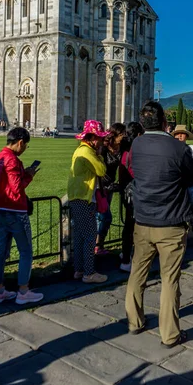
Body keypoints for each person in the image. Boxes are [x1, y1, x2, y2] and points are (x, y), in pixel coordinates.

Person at [125, 101, 193, 347]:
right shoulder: (178, 148)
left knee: (137, 272)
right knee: (169, 279)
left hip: (143, 218)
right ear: (164, 121)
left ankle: (134, 321)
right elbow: (189, 178)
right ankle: (169, 334)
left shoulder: (136, 144)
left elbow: (132, 169)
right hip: (171, 221)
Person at [0, 127, 43, 305]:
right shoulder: (12, 160)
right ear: (20, 142)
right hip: (15, 211)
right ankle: (23, 291)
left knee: (1, 251)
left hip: (0, 209)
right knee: (25, 251)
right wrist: (29, 175)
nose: (24, 149)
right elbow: (16, 188)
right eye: (25, 146)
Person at [67, 120, 108, 283]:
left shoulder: (80, 150)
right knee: (90, 236)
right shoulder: (87, 152)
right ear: (92, 138)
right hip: (84, 197)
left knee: (80, 236)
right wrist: (99, 154)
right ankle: (89, 273)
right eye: (99, 138)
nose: (101, 142)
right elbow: (101, 170)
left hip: (77, 196)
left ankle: (79, 269)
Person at [95, 123, 126, 255]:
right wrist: (103, 186)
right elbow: (97, 169)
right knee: (104, 216)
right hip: (100, 186)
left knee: (104, 217)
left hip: (111, 185)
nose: (123, 136)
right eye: (121, 134)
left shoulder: (122, 147)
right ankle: (96, 245)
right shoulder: (104, 148)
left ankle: (100, 245)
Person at [118, 121, 144, 272]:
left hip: (126, 192)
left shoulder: (125, 150)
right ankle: (127, 259)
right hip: (135, 193)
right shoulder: (136, 152)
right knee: (133, 228)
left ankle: (125, 254)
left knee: (128, 226)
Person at [172, 124, 193, 217]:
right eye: (177, 134)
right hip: (178, 182)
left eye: (182, 133)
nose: (180, 136)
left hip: (192, 182)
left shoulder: (192, 148)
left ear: (186, 136)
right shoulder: (172, 149)